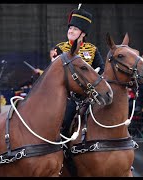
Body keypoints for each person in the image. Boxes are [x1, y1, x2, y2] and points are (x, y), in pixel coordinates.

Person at [46, 7, 105, 137]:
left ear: (83, 34)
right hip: (68, 95)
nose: (71, 31)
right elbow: (54, 73)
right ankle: (63, 143)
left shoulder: (92, 49)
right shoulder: (60, 48)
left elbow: (101, 68)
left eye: (75, 29)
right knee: (66, 119)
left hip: (89, 94)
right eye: (70, 28)